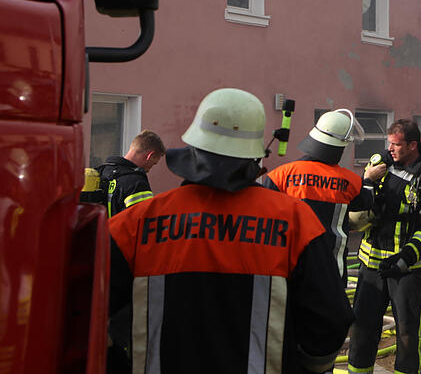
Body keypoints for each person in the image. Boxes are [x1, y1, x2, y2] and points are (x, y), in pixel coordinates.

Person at [108, 88, 352, 374]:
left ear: (192, 148)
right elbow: (331, 319)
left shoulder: (133, 224)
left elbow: (83, 312)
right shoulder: (296, 222)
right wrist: (307, 368)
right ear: (255, 157)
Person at [348, 118, 421, 374]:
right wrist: (367, 180)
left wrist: (406, 257)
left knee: (406, 335)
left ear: (413, 145)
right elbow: (358, 205)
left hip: (408, 270)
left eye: (396, 144)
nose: (390, 149)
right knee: (362, 330)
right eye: (389, 143)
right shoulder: (380, 164)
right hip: (372, 265)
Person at [263, 109, 386, 280]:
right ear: (340, 147)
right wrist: (368, 180)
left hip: (288, 267)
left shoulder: (279, 176)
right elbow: (365, 202)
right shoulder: (350, 181)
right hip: (330, 270)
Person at [98, 129, 166, 217]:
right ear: (150, 156)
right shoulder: (137, 183)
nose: (149, 170)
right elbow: (143, 220)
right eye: (153, 164)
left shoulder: (102, 172)